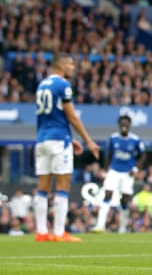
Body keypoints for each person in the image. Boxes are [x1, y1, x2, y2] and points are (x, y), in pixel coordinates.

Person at [34, 53, 100, 242]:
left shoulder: (42, 85)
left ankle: (41, 232)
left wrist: (68, 139)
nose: (73, 67)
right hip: (58, 141)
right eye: (71, 64)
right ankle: (59, 232)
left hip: (43, 140)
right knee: (63, 185)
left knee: (43, 187)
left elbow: (48, 118)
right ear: (61, 66)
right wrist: (88, 140)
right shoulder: (63, 85)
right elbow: (71, 116)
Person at [92, 115, 146, 234]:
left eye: (126, 124)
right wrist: (105, 170)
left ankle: (122, 228)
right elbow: (109, 155)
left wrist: (136, 168)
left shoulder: (135, 140)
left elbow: (143, 155)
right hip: (114, 171)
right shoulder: (113, 138)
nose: (124, 126)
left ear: (129, 125)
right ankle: (100, 225)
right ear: (119, 125)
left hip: (127, 173)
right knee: (107, 195)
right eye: (122, 124)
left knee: (125, 200)